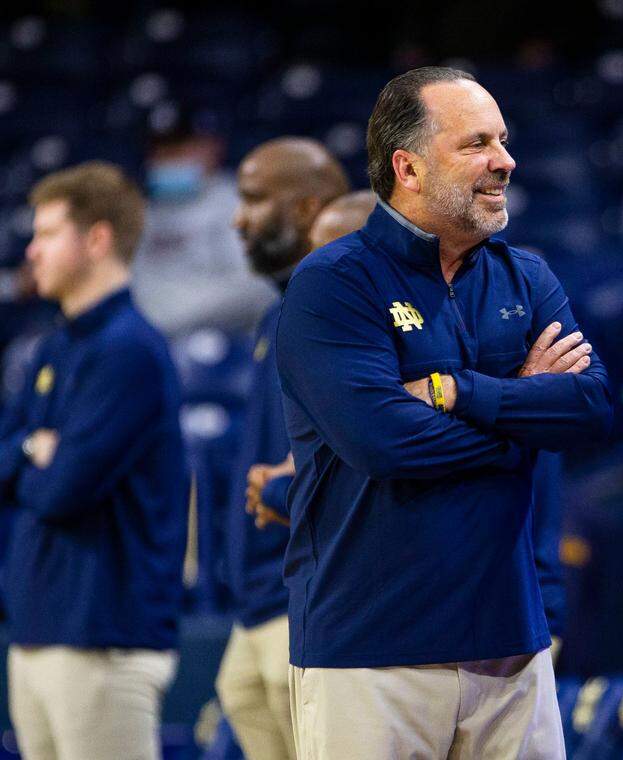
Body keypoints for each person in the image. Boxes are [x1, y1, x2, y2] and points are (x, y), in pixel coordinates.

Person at [276, 66, 612, 759]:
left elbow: (589, 407)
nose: (506, 161)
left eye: (505, 140)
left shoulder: (528, 276)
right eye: (477, 143)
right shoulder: (332, 284)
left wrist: (461, 392)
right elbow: (385, 443)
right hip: (369, 655)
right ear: (409, 167)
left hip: (511, 651)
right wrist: (523, 420)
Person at [0, 161, 188, 760]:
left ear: (98, 238)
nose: (32, 250)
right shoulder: (51, 346)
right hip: (37, 632)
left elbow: (61, 493)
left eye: (49, 233)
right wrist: (34, 448)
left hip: (103, 637)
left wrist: (27, 461)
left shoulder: (129, 350)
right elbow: (12, 459)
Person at [218, 138, 349, 760]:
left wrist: (282, 487)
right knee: (239, 694)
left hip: (310, 591)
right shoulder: (278, 312)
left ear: (306, 208)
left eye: (252, 199)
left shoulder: (347, 309)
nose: (239, 218)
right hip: (261, 598)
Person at [132, 115, 277, 337]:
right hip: (152, 341)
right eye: (161, 152)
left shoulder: (240, 203)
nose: (168, 160)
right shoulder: (144, 212)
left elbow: (259, 287)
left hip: (222, 344)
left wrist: (171, 315)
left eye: (180, 150)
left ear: (211, 149)